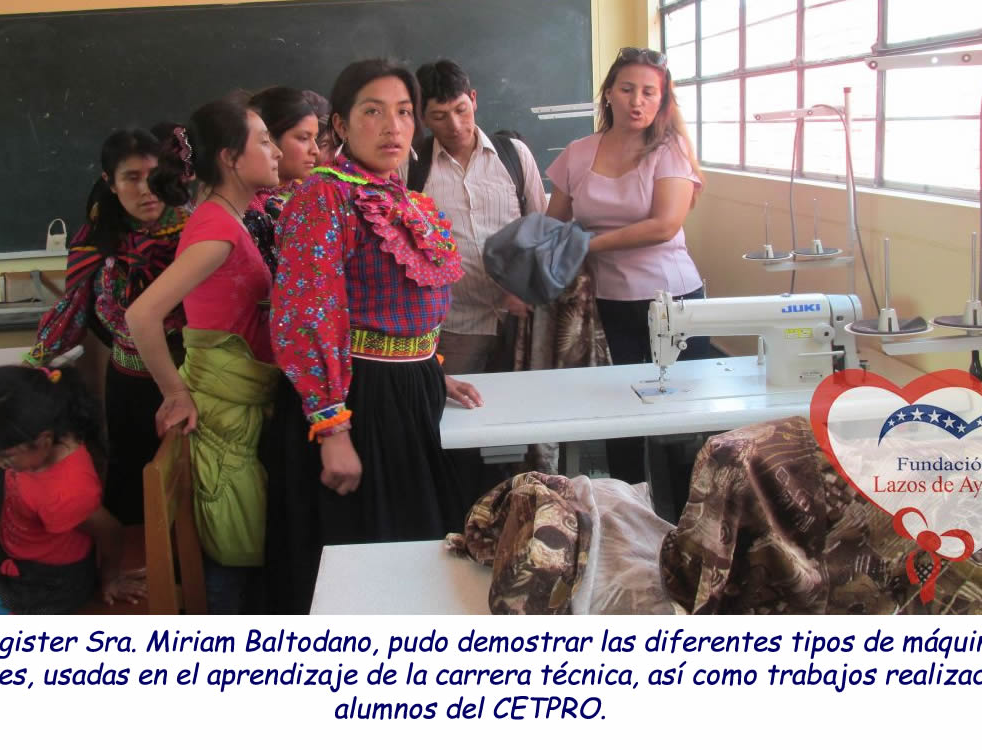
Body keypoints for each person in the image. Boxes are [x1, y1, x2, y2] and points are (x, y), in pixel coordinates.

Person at [268, 58, 483, 613]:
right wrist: (333, 431)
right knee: (374, 561)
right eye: (373, 112)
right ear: (340, 124)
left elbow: (399, 309)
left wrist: (430, 367)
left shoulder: (397, 196)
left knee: (417, 549)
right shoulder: (325, 198)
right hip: (358, 403)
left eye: (405, 112)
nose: (393, 127)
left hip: (408, 391)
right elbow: (307, 316)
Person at [125, 93, 282, 614]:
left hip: (239, 403)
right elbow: (141, 316)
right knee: (232, 556)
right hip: (224, 413)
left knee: (239, 543)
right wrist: (175, 393)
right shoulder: (217, 231)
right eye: (265, 142)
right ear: (231, 158)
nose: (277, 151)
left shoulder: (236, 215)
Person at [546, 46, 706, 486]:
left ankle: (685, 514)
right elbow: (553, 224)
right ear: (609, 93)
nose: (637, 101)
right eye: (627, 89)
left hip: (673, 299)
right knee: (620, 417)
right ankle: (629, 507)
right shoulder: (577, 153)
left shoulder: (670, 150)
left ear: (662, 100)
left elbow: (664, 226)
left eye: (649, 92)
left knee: (679, 423)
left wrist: (588, 244)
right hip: (607, 303)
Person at [24, 128, 192, 526]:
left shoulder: (195, 233)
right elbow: (73, 309)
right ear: (110, 183)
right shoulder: (96, 239)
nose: (146, 189)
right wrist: (35, 362)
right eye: (131, 178)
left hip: (190, 380)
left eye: (153, 176)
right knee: (132, 483)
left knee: (190, 491)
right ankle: (136, 560)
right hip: (128, 386)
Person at [0, 366, 144, 615]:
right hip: (12, 553)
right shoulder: (44, 435)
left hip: (43, 587)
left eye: (4, 457)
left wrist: (111, 579)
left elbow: (111, 531)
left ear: (42, 441)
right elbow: (3, 445)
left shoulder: (66, 492)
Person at [412, 59, 547, 376]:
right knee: (458, 403)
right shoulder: (413, 167)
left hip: (521, 317)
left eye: (461, 110)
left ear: (473, 99)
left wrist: (522, 284)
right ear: (422, 117)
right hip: (453, 326)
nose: (455, 125)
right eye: (439, 116)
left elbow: (541, 228)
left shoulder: (514, 155)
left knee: (525, 401)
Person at [244, 86, 322, 267]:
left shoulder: (313, 194)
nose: (315, 150)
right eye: (303, 138)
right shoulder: (244, 204)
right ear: (268, 139)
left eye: (316, 138)